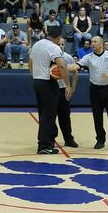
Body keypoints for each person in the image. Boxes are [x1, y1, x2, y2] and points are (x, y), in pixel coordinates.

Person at [68, 36, 108, 151]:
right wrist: (63, 67)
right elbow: (76, 66)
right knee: (97, 116)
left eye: (95, 42)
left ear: (101, 43)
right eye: (92, 42)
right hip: (95, 90)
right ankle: (100, 140)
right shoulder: (88, 57)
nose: (92, 44)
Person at [29, 26, 71, 154]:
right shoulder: (54, 47)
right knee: (49, 114)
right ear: (58, 38)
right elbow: (62, 66)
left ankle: (45, 141)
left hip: (37, 80)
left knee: (43, 113)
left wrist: (35, 75)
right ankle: (45, 145)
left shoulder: (37, 44)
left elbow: (30, 62)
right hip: (48, 82)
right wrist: (67, 85)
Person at [54, 37, 79, 148]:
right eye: (58, 44)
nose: (60, 46)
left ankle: (68, 139)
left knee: (65, 117)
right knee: (51, 117)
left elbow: (75, 73)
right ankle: (50, 139)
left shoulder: (68, 57)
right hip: (52, 89)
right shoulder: (51, 57)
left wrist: (72, 89)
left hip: (64, 90)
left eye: (62, 44)